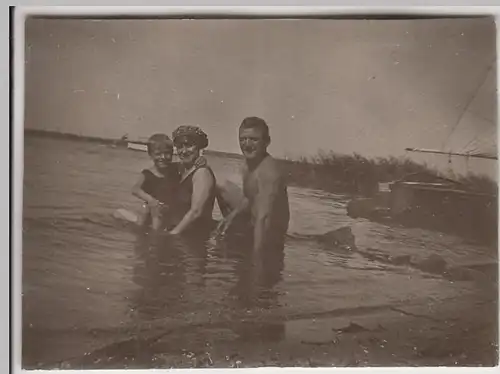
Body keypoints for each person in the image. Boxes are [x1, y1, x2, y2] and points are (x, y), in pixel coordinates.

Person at [216, 117, 290, 253]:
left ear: (266, 142)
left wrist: (256, 261)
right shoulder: (248, 164)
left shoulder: (268, 172)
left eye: (254, 139)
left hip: (270, 236)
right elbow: (250, 197)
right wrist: (231, 217)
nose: (247, 144)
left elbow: (263, 218)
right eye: (242, 139)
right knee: (221, 185)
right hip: (253, 224)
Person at [168, 125, 217, 237]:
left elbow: (196, 212)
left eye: (189, 146)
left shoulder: (201, 173)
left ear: (199, 147)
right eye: (180, 146)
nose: (184, 151)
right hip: (179, 233)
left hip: (192, 238)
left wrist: (173, 234)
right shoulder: (179, 170)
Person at [131, 133, 181, 230]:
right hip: (152, 208)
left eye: (167, 153)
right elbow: (135, 189)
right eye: (158, 154)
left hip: (166, 209)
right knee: (147, 215)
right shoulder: (148, 173)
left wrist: (201, 161)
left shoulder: (174, 169)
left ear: (171, 154)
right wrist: (151, 200)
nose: (163, 157)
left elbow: (190, 166)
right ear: (151, 155)